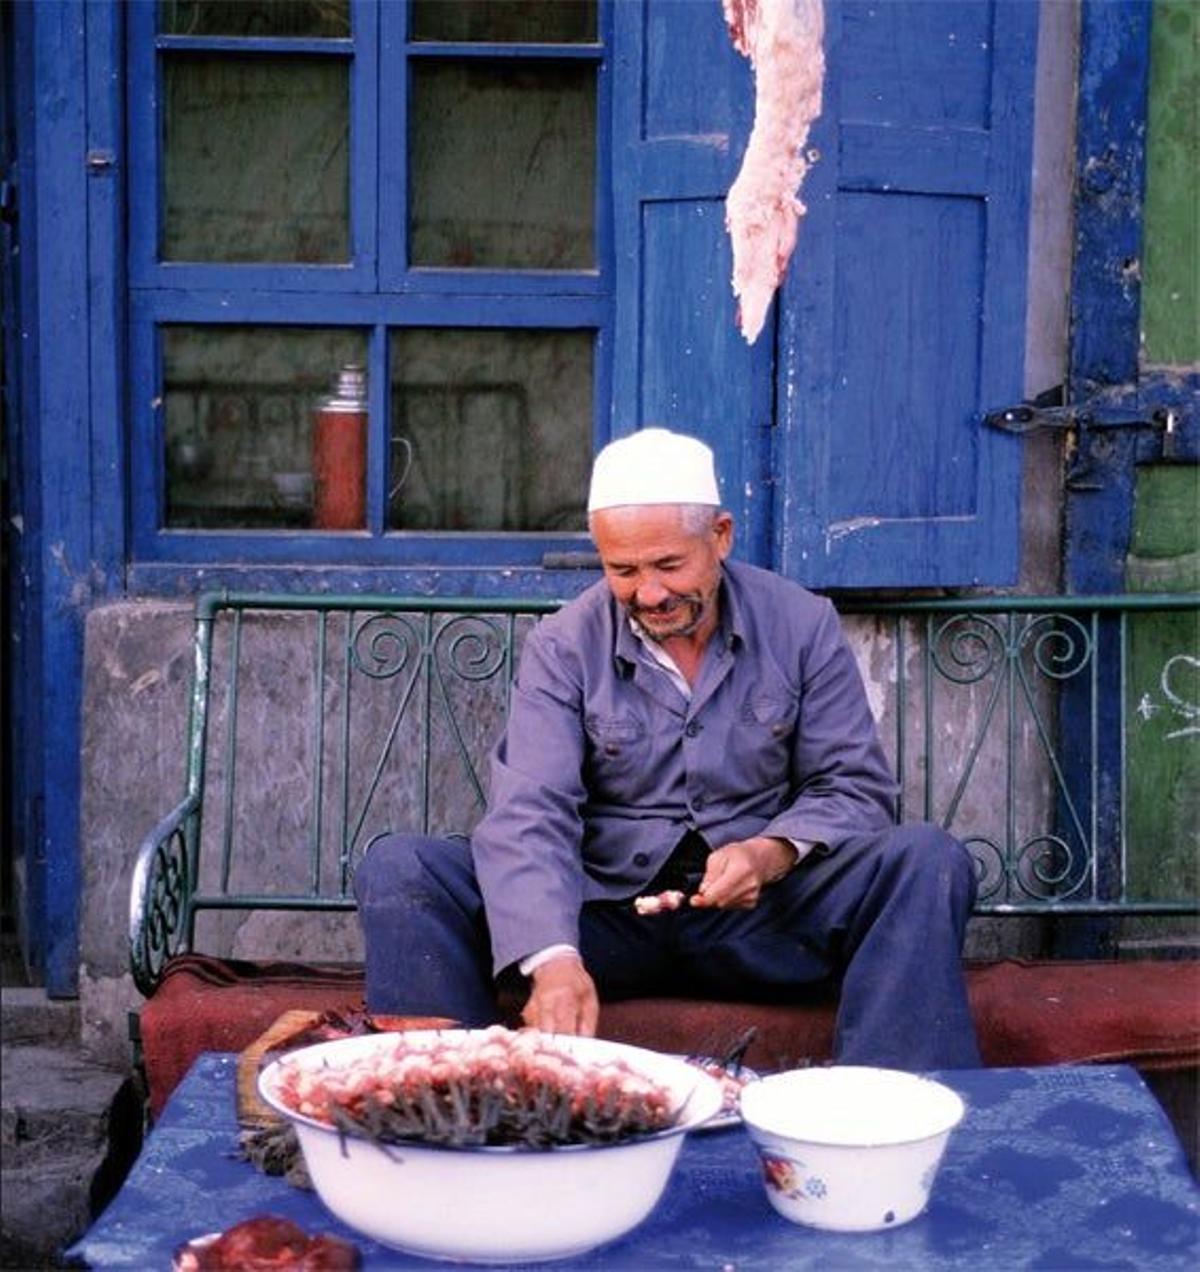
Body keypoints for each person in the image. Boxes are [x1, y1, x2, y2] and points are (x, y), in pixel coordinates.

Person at [355, 428, 981, 1069]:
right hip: (605, 921)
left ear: (722, 537)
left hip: (759, 920)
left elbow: (853, 786)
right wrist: (552, 956)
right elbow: (531, 812)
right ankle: (441, 1112)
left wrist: (770, 854)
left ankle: (894, 1125)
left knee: (926, 859)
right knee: (404, 868)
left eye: (669, 566)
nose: (648, 593)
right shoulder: (565, 644)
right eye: (622, 571)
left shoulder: (801, 623)